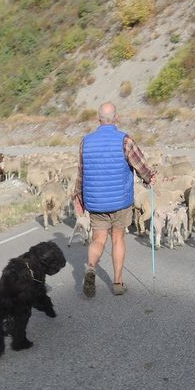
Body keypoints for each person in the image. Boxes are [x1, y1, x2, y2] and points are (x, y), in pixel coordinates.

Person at [73, 102, 156, 297]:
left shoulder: (86, 141)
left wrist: (78, 196)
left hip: (96, 201)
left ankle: (91, 267)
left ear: (98, 119)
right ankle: (118, 283)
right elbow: (141, 165)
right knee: (118, 239)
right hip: (120, 201)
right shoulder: (125, 141)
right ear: (116, 118)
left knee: (98, 239)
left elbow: (81, 172)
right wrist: (150, 177)